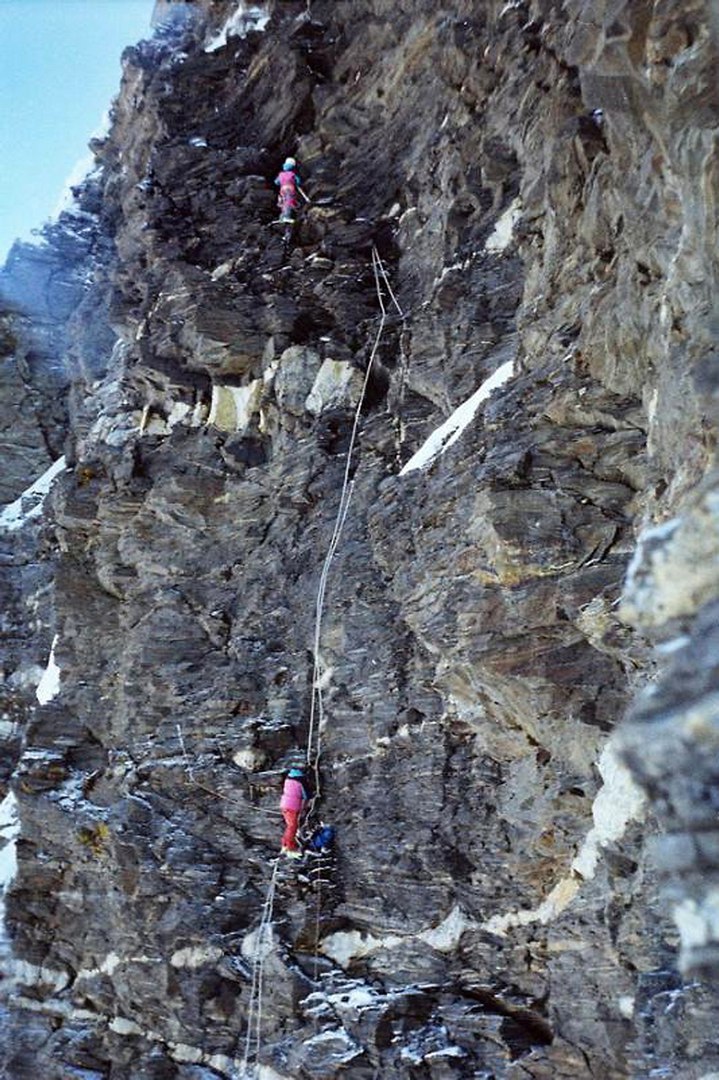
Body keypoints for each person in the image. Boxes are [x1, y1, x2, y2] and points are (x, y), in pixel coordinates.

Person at [280, 766, 308, 856]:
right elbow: (306, 794)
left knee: (290, 826)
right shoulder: (301, 781)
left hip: (284, 804)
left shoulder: (288, 779)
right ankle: (290, 847)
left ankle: (285, 844)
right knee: (292, 826)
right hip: (292, 806)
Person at [274, 156, 306, 223]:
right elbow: (298, 181)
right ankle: (287, 216)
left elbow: (276, 182)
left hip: (282, 189)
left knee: (284, 202)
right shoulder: (292, 174)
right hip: (290, 189)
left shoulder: (281, 174)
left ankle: (282, 216)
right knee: (288, 202)